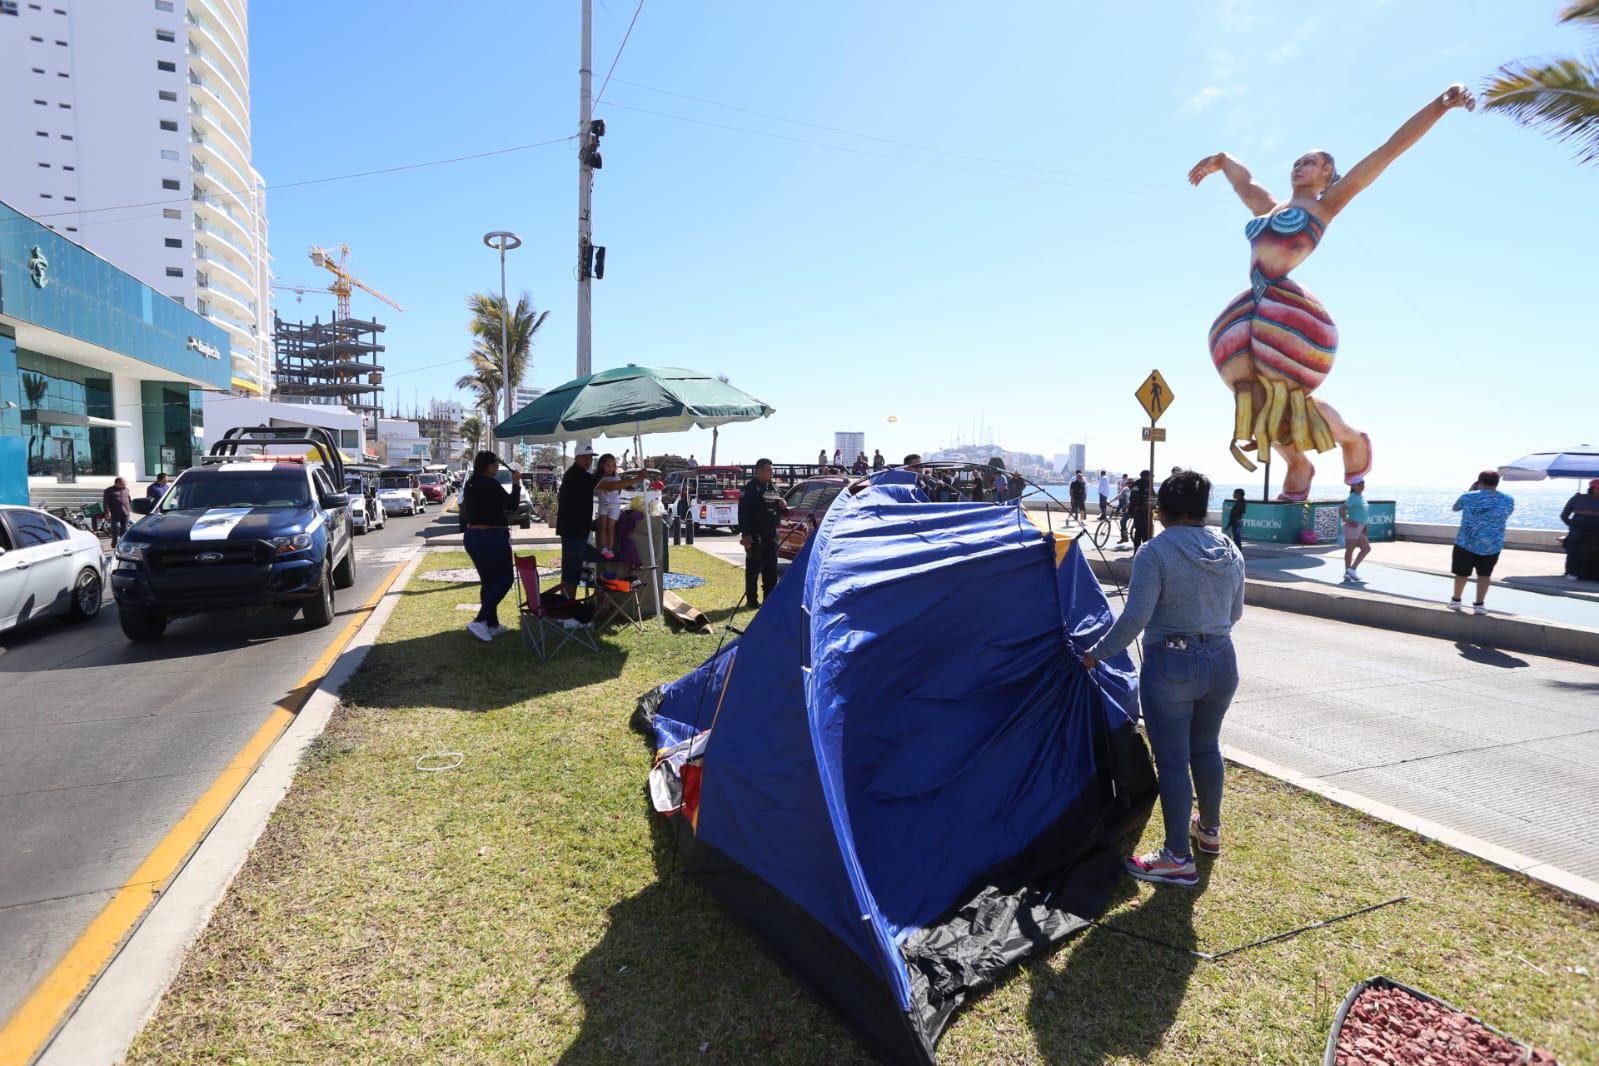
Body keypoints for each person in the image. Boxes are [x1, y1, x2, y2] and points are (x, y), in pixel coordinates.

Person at [1195, 85, 1475, 501]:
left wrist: (1439, 106)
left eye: (1311, 163)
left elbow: (1388, 150)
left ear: (1327, 175)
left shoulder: (1326, 205)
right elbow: (1246, 182)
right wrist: (1222, 160)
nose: (1300, 167)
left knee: (1287, 393)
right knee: (1254, 397)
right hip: (1255, 303)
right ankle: (1299, 462)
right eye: (1297, 162)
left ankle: (1350, 438)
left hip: (1288, 311)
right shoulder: (1268, 208)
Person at [1081, 470, 1245, 887]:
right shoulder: (1228, 548)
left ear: (1161, 510)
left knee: (1172, 760)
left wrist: (1096, 655)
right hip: (1223, 658)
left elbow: (1135, 618)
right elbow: (1235, 614)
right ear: (1204, 507)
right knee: (1206, 748)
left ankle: (1176, 856)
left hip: (1172, 662)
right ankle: (1208, 830)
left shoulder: (1155, 552)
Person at [459, 450, 524, 642]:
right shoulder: (490, 484)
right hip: (491, 535)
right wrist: (516, 483)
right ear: (488, 466)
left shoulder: (471, 484)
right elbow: (512, 505)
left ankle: (492, 623)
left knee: (489, 581)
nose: (497, 468)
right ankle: (480, 620)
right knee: (504, 580)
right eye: (495, 465)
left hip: (473, 536)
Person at [1449, 470, 1515, 615]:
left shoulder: (1468, 496)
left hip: (1466, 542)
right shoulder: (1508, 499)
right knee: (1485, 575)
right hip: (1492, 545)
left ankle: (1456, 600)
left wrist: (1472, 490)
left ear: (1479, 482)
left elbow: (1455, 508)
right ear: (1497, 483)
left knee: (1462, 573)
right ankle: (1479, 605)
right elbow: (1507, 513)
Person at [739, 458, 786, 607]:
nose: (771, 473)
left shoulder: (774, 488)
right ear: (759, 471)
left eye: (772, 470)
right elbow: (743, 513)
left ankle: (769, 600)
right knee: (753, 569)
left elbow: (781, 506)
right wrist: (745, 534)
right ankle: (752, 601)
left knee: (771, 570)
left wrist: (783, 505)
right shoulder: (750, 489)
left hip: (771, 534)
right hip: (754, 535)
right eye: (768, 470)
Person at [556, 444, 600, 600]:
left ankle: (565, 605)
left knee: (570, 569)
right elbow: (592, 482)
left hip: (573, 529)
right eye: (586, 457)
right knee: (572, 571)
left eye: (591, 457)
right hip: (573, 530)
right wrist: (602, 470)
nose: (589, 460)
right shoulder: (576, 474)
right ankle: (568, 609)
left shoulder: (575, 474)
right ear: (578, 458)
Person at [593, 453, 648, 562]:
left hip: (614, 506)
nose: (611, 468)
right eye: (608, 465)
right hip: (603, 505)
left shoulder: (615, 477)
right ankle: (604, 548)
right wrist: (637, 478)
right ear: (601, 466)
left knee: (610, 527)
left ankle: (610, 549)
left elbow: (618, 485)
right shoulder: (598, 478)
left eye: (613, 465)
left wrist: (636, 479)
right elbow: (610, 487)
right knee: (602, 526)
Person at [1560, 480, 1599, 581]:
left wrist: (1571, 525)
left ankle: (1572, 573)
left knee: (1573, 549)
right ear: (1593, 489)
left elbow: (1564, 515)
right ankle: (1589, 574)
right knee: (1577, 549)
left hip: (1578, 525)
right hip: (1593, 527)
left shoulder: (1577, 498)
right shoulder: (1578, 497)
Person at [1340, 478, 1372, 581]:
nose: (1361, 485)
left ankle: (1349, 571)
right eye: (1359, 484)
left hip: (1359, 527)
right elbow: (1342, 509)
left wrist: (1365, 525)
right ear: (1353, 486)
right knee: (1354, 550)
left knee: (1364, 549)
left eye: (1363, 483)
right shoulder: (1353, 497)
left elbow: (1363, 513)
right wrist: (1347, 521)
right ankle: (1350, 570)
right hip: (1353, 527)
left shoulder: (1361, 497)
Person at [102, 477, 132, 546]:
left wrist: (130, 509)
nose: (125, 485)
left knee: (124, 528)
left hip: (126, 512)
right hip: (115, 512)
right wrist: (107, 512)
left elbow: (129, 500)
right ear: (117, 483)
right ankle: (114, 539)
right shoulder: (109, 490)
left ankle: (122, 542)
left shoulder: (126, 490)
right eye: (123, 483)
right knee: (116, 527)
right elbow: (105, 502)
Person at [1129, 472, 1152, 553]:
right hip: (1140, 512)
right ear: (1145, 476)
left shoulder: (1149, 484)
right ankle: (1139, 552)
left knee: (1144, 532)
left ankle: (1142, 551)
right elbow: (1134, 499)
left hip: (1147, 512)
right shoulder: (1138, 484)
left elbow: (1154, 496)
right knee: (1141, 532)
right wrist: (1141, 505)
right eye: (1151, 476)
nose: (1152, 477)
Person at [671, 481, 695, 546]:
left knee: (682, 504)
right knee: (682, 503)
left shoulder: (688, 490)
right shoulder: (686, 490)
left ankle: (682, 516)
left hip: (689, 502)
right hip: (687, 502)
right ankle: (681, 517)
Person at [1117, 476, 1133, 544]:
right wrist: (1110, 501)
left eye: (1130, 483)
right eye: (1128, 483)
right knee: (1122, 521)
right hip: (1128, 509)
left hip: (1135, 509)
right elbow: (1119, 495)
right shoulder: (1125, 489)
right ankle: (1124, 537)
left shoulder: (1135, 489)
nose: (1129, 484)